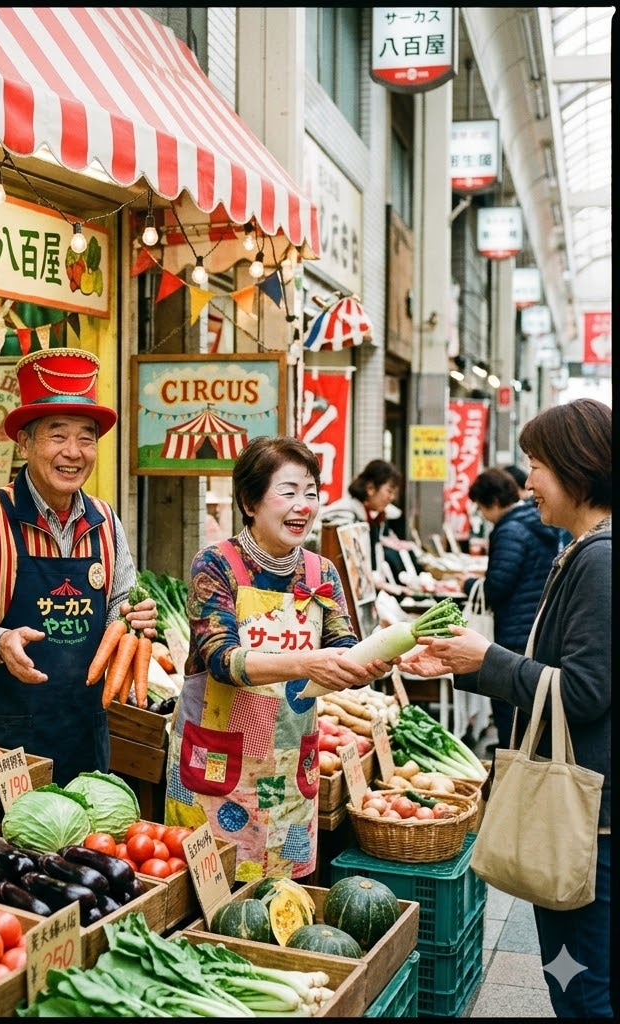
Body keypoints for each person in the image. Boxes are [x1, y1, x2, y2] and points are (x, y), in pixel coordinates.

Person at [401, 397, 612, 1018]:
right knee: (579, 981)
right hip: (592, 816)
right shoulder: (582, 548)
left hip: (591, 825)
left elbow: (582, 691)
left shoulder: (599, 558)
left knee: (583, 988)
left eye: (537, 464)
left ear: (577, 468)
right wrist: (471, 664)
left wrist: (485, 658)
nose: (528, 482)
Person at [163, 437, 396, 881]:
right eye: (288, 492)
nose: (303, 506)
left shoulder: (321, 572)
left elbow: (344, 645)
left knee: (282, 899)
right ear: (250, 501)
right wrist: (307, 662)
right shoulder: (215, 565)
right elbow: (221, 659)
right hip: (217, 765)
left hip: (290, 769)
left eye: (310, 492)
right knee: (210, 892)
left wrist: (374, 660)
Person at [0, 347, 157, 786]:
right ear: (25, 442)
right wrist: (0, 641)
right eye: (57, 435)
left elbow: (120, 602)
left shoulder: (106, 521)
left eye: (86, 437)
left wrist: (131, 620)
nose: (74, 452)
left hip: (84, 735)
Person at [464, 467, 559, 753]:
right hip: (532, 622)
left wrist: (470, 584)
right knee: (524, 703)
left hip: (515, 627)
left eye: (481, 508)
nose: (482, 515)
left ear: (492, 501)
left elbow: (498, 586)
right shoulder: (534, 522)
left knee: (508, 702)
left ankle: (510, 763)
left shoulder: (509, 529)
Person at [319, 459, 409, 588]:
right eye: (389, 491)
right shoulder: (344, 514)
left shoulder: (374, 516)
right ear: (370, 488)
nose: (392, 497)